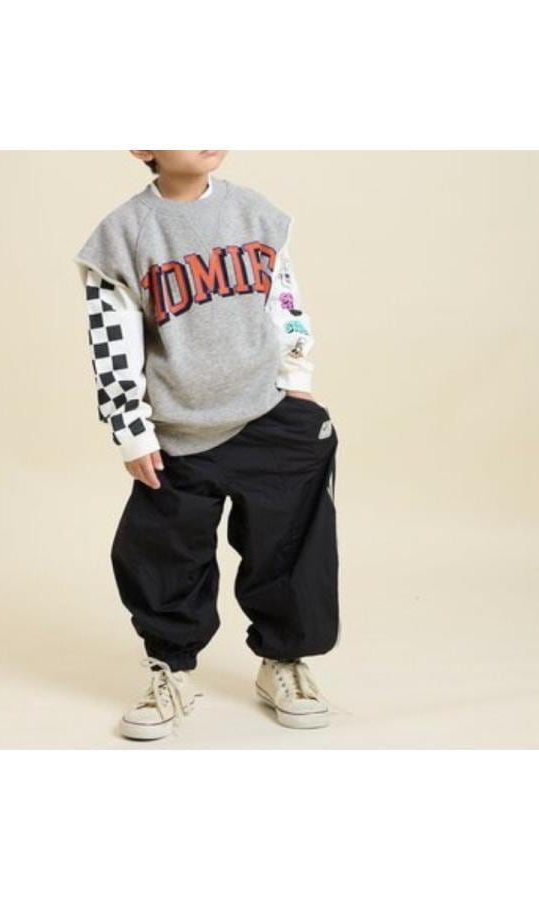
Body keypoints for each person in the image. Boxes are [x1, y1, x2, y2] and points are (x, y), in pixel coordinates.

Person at [73, 151, 339, 740]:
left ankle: (284, 661)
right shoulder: (124, 233)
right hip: (178, 430)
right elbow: (110, 339)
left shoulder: (255, 213)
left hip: (266, 414)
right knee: (162, 556)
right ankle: (170, 669)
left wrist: (297, 380)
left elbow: (284, 299)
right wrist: (131, 427)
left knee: (289, 547)